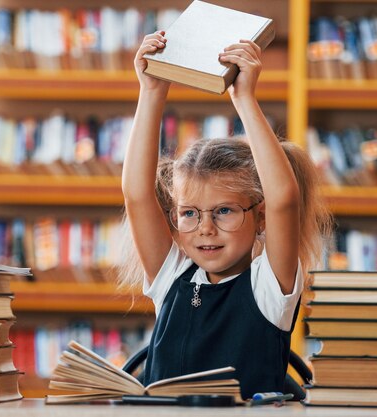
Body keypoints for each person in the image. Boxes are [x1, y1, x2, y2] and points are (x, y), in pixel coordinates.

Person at [120, 30, 331, 399]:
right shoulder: (173, 276)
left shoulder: (270, 287)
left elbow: (284, 199)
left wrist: (244, 98)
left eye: (223, 211)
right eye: (189, 213)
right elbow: (137, 195)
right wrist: (151, 91)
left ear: (261, 218)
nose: (205, 229)